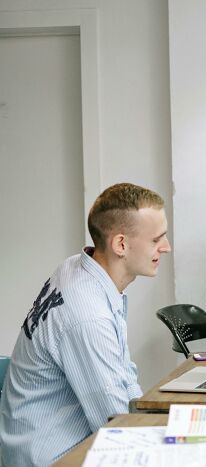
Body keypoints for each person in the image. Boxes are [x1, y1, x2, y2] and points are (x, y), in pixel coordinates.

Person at [0, 183, 172, 466]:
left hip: (52, 442)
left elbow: (122, 377)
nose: (166, 247)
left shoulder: (78, 267)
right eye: (156, 239)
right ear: (121, 245)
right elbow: (117, 424)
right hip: (52, 457)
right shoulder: (88, 315)